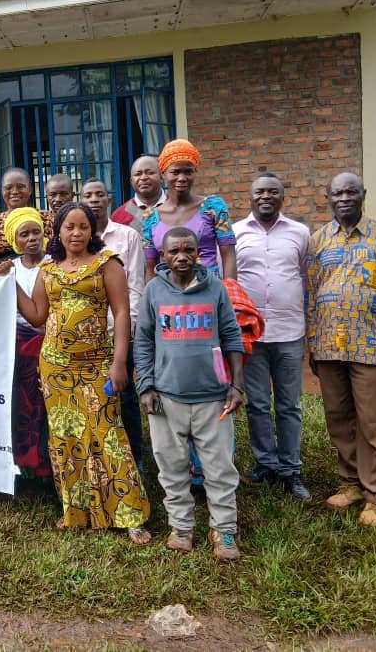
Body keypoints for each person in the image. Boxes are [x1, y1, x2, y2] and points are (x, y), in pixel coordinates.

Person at [15, 203, 151, 544]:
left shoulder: (107, 263)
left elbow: (122, 313)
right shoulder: (48, 269)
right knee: (67, 438)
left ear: (93, 231)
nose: (76, 233)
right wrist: (10, 284)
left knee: (108, 434)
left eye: (83, 227)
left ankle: (129, 514)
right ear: (58, 232)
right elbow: (37, 316)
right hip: (55, 366)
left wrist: (120, 363)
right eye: (69, 227)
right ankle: (77, 512)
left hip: (97, 363)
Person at [306, 172, 376, 527]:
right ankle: (350, 483)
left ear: (363, 194)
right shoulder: (318, 240)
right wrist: (312, 342)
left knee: (373, 423)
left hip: (372, 344)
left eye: (351, 192)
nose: (344, 198)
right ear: (327, 197)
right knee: (339, 419)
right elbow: (311, 294)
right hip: (329, 346)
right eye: (337, 193)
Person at [134, 227, 246, 560]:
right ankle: (181, 526)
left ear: (199, 253)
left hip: (213, 396)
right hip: (167, 396)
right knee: (171, 466)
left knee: (220, 467)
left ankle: (224, 529)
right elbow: (143, 341)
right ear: (163, 255)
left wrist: (236, 385)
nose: (182, 257)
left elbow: (232, 336)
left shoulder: (216, 288)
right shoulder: (154, 290)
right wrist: (146, 385)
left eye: (189, 250)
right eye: (174, 251)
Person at [233, 173, 312, 500]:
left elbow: (304, 275)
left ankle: (291, 469)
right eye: (260, 192)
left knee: (289, 404)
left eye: (273, 192)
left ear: (282, 197)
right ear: (250, 197)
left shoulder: (300, 233)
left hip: (289, 332)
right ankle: (265, 463)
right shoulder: (236, 233)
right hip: (251, 334)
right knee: (258, 404)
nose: (266, 196)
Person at [80, 178, 146, 470]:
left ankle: (135, 456)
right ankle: (101, 454)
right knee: (94, 393)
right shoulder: (77, 236)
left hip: (120, 328)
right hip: (86, 333)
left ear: (109, 199)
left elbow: (135, 284)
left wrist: (129, 326)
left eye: (99, 194)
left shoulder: (127, 235)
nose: (94, 199)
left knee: (125, 392)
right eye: (88, 195)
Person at [2, 207, 52, 478]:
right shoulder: (9, 269)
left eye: (36, 232)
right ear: (14, 240)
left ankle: (47, 462)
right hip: (19, 345)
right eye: (24, 234)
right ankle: (27, 462)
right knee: (24, 404)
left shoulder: (55, 264)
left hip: (50, 341)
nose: (32, 238)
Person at [145, 140, 236, 282]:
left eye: (188, 171)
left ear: (195, 172)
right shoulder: (150, 217)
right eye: (175, 172)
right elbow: (151, 269)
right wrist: (150, 294)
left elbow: (229, 255)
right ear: (163, 174)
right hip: (168, 290)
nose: (182, 178)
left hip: (209, 288)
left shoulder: (213, 208)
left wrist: (230, 290)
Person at [0, 168, 54, 267]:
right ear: (2, 190)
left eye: (20, 186)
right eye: (8, 187)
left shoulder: (48, 219)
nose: (14, 191)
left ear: (30, 189)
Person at [111, 155, 166, 233]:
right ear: (131, 181)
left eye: (150, 173)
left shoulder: (177, 208)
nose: (143, 178)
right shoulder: (119, 216)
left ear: (162, 177)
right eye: (138, 174)